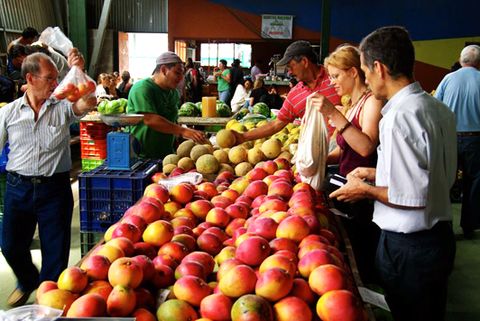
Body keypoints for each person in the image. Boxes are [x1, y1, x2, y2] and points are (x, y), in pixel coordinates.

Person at [322, 26, 456, 321]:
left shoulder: (397, 117)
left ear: (379, 68)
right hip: (437, 238)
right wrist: (376, 172)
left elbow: (412, 196)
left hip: (411, 246)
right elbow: (431, 172)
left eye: (365, 70)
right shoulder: (436, 108)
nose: (365, 78)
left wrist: (364, 190)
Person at [0, 50, 96, 307]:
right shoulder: (8, 113)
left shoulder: (62, 108)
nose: (55, 83)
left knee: (55, 252)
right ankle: (28, 279)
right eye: (50, 78)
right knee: (9, 245)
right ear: (30, 79)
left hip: (54, 188)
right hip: (17, 188)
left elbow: (88, 103)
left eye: (57, 78)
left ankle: (46, 303)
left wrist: (79, 71)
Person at [313, 44, 383, 283]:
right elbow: (343, 151)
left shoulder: (372, 102)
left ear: (353, 72)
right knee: (351, 245)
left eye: (336, 76)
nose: (332, 82)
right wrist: (315, 158)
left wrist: (334, 114)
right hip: (347, 184)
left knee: (363, 249)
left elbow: (365, 147)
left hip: (364, 191)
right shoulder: (351, 104)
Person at [233, 40, 340, 144]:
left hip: (346, 152)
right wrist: (244, 136)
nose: (289, 72)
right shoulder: (294, 94)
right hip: (318, 155)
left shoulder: (336, 78)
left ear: (304, 62)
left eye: (290, 66)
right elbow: (276, 124)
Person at [435, 45, 480, 239]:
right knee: (474, 182)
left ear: (461, 60)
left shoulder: (448, 79)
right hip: (476, 139)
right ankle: (469, 226)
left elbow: (435, 107)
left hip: (448, 137)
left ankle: (444, 226)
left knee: (446, 182)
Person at [126, 51, 207, 160]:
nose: (181, 78)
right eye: (177, 73)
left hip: (166, 156)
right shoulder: (142, 88)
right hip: (141, 157)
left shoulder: (173, 93)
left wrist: (180, 137)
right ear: (164, 70)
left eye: (182, 74)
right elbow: (150, 119)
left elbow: (172, 120)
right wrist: (183, 131)